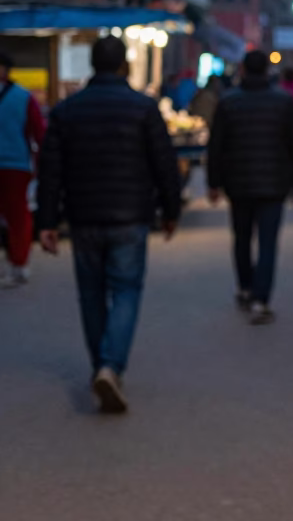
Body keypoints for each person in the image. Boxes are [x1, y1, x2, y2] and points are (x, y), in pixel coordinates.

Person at [36, 36, 181, 413]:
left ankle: (101, 364)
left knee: (91, 292)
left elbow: (50, 170)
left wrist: (47, 221)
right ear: (124, 66)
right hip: (130, 216)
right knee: (127, 290)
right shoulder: (144, 108)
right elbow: (164, 162)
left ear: (92, 65)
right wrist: (170, 210)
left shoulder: (67, 110)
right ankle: (110, 364)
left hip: (83, 216)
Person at [208, 51, 293, 324]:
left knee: (241, 238)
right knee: (267, 243)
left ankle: (245, 287)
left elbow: (216, 146)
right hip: (274, 184)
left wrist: (213, 183)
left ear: (242, 69)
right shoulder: (284, 102)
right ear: (267, 70)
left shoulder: (228, 102)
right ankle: (260, 300)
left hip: (237, 183)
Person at [0, 52, 45, 288]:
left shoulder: (22, 98)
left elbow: (38, 133)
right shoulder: (24, 97)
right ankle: (13, 261)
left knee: (17, 216)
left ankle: (19, 262)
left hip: (15, 164)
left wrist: (39, 165)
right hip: (16, 164)